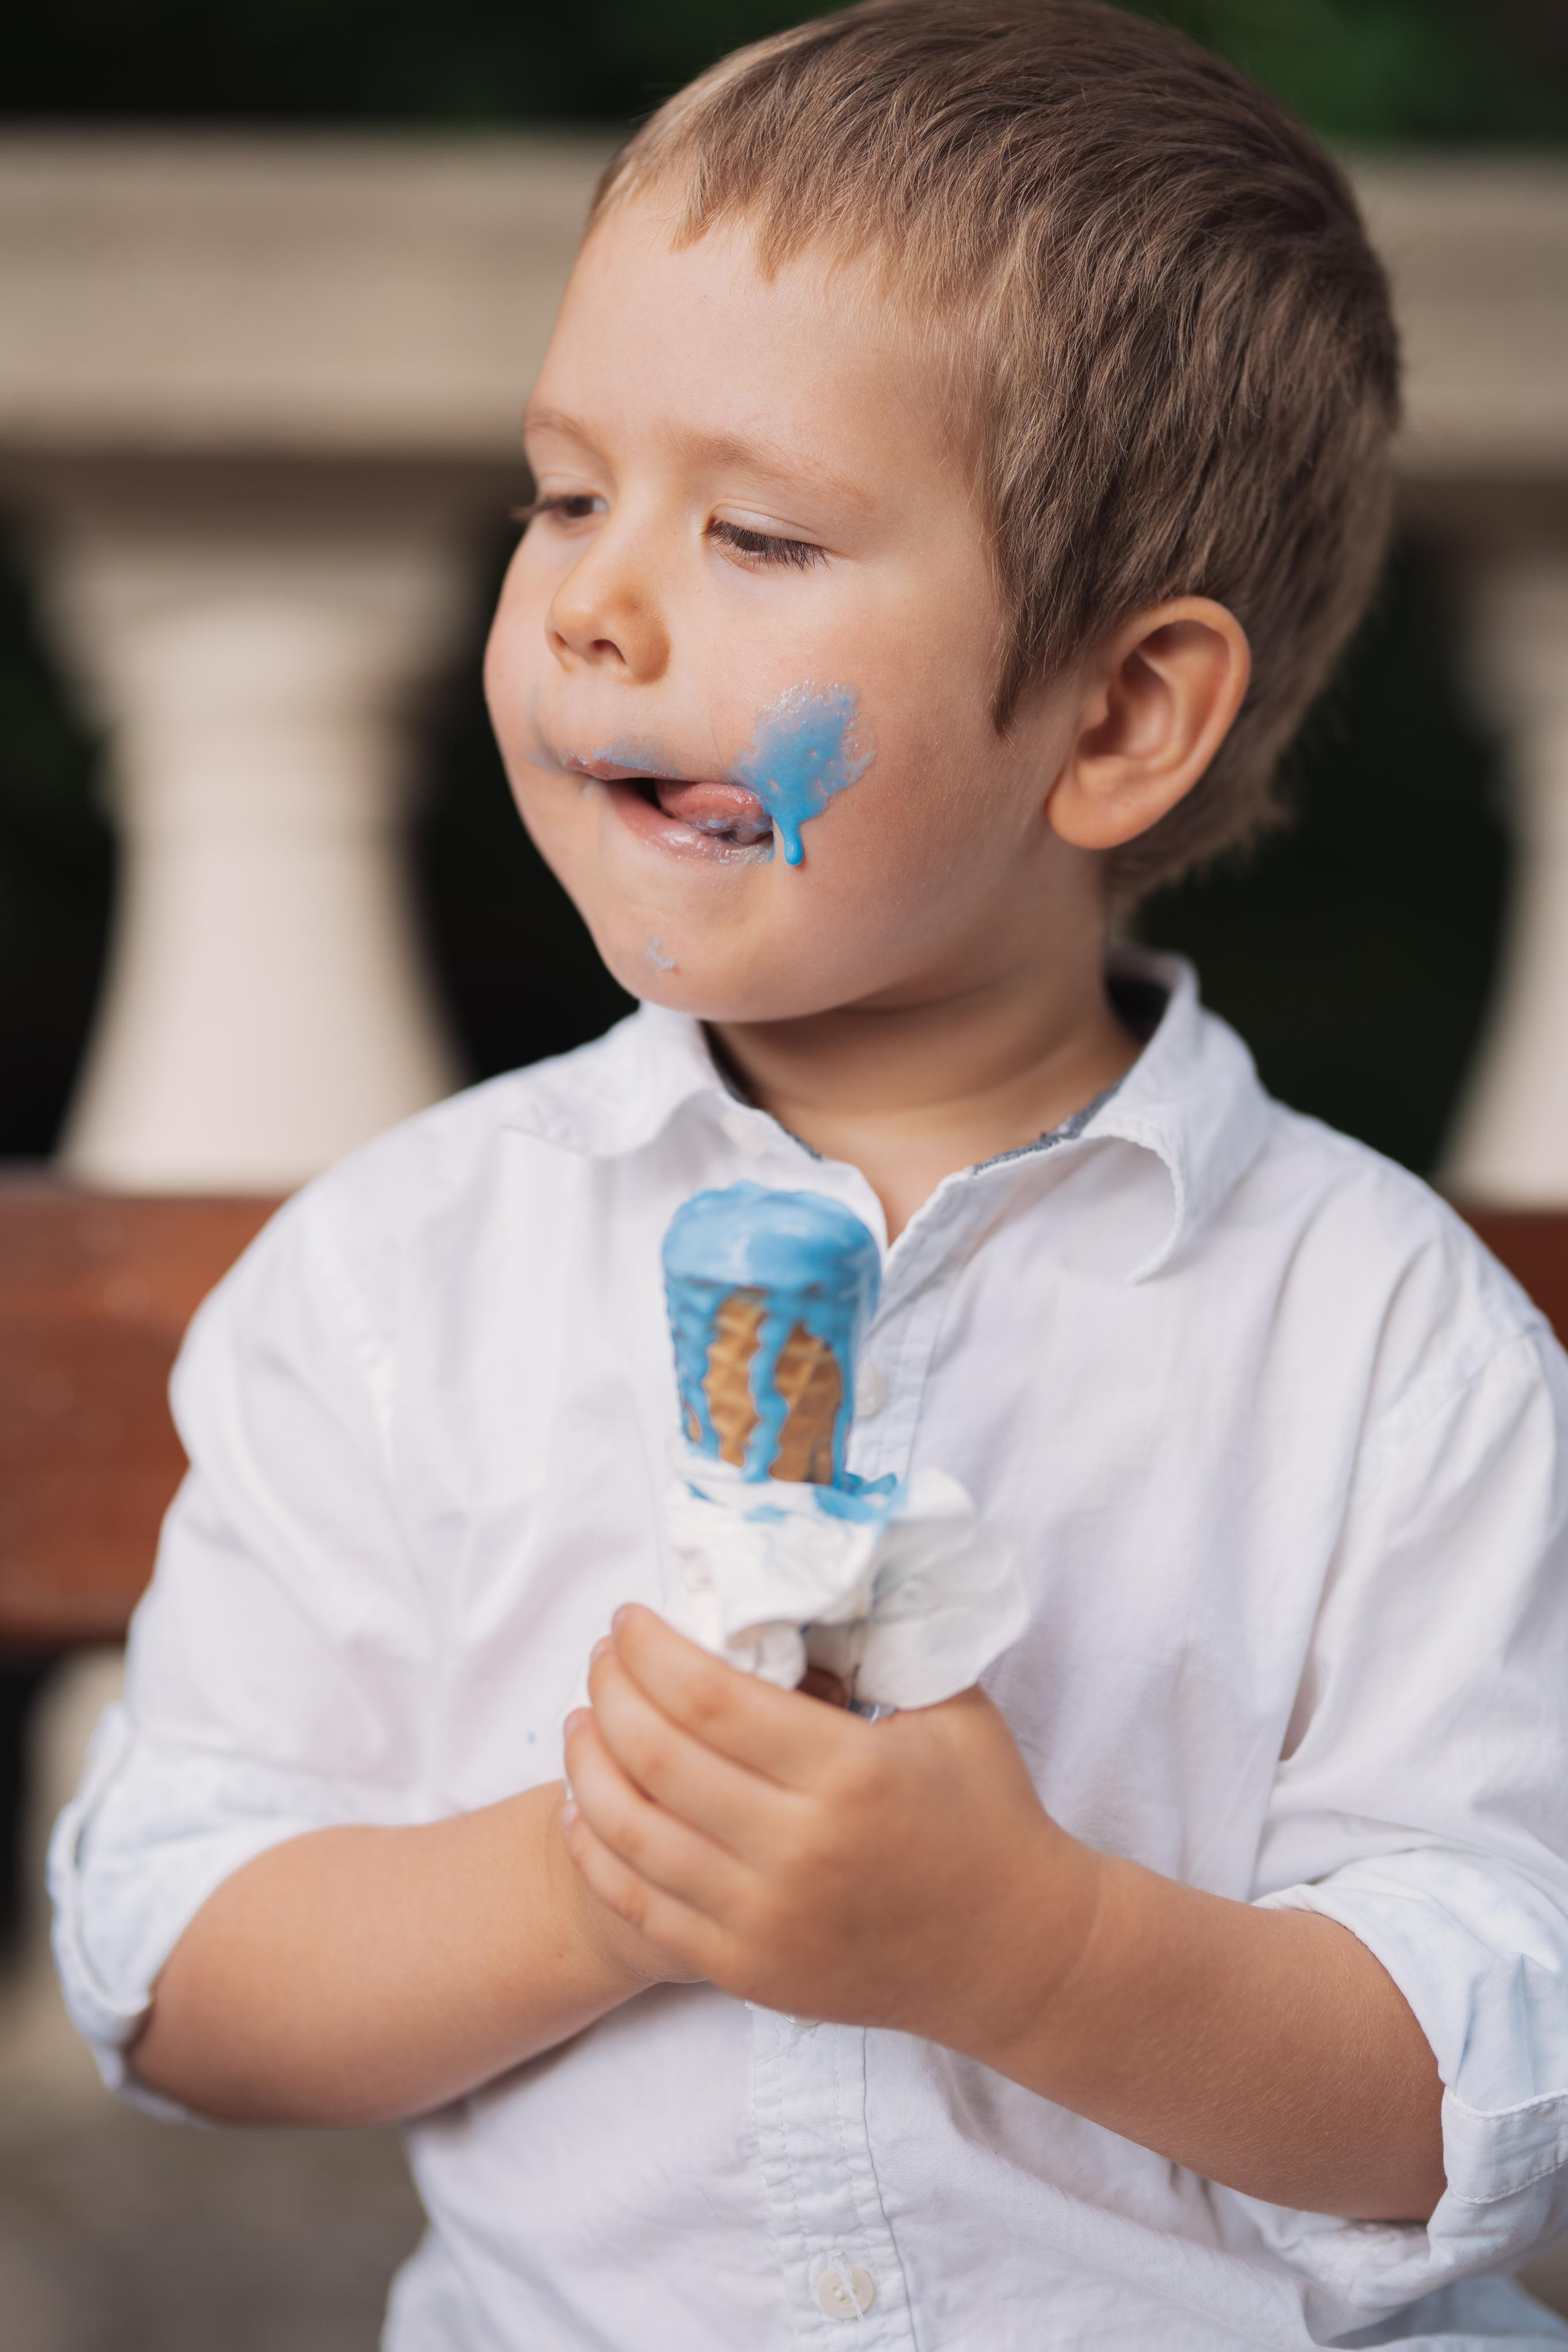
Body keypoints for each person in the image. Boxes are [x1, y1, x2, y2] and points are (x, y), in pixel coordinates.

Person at [48, 4, 1568, 2345]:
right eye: (567, 492)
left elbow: (1484, 2085)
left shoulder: (1383, 1351)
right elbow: (171, 1971)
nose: (593, 603)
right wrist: (604, 1884)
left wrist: (1028, 1947)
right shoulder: (403, 1282)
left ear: (1119, 716)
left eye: (755, 531)